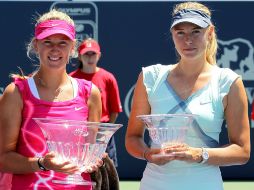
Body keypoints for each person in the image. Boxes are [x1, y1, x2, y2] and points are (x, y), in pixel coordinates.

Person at [125, 2, 250, 190]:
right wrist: (148, 154)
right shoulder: (150, 77)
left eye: (195, 31)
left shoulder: (228, 82)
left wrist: (198, 154)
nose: (187, 40)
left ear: (210, 32)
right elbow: (133, 138)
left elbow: (242, 151)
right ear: (172, 35)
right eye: (180, 32)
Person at [0, 9, 103, 190]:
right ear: (36, 45)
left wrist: (94, 161)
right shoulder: (16, 93)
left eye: (62, 43)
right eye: (47, 42)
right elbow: (3, 159)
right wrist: (41, 163)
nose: (55, 49)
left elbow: (89, 151)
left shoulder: (90, 93)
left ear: (73, 48)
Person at [69, 38, 122, 167]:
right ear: (80, 56)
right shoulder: (70, 78)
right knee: (80, 169)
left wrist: (104, 132)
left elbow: (114, 110)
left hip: (102, 132)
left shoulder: (108, 77)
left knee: (106, 171)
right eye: (86, 53)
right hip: (78, 132)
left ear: (99, 55)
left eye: (93, 53)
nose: (90, 57)